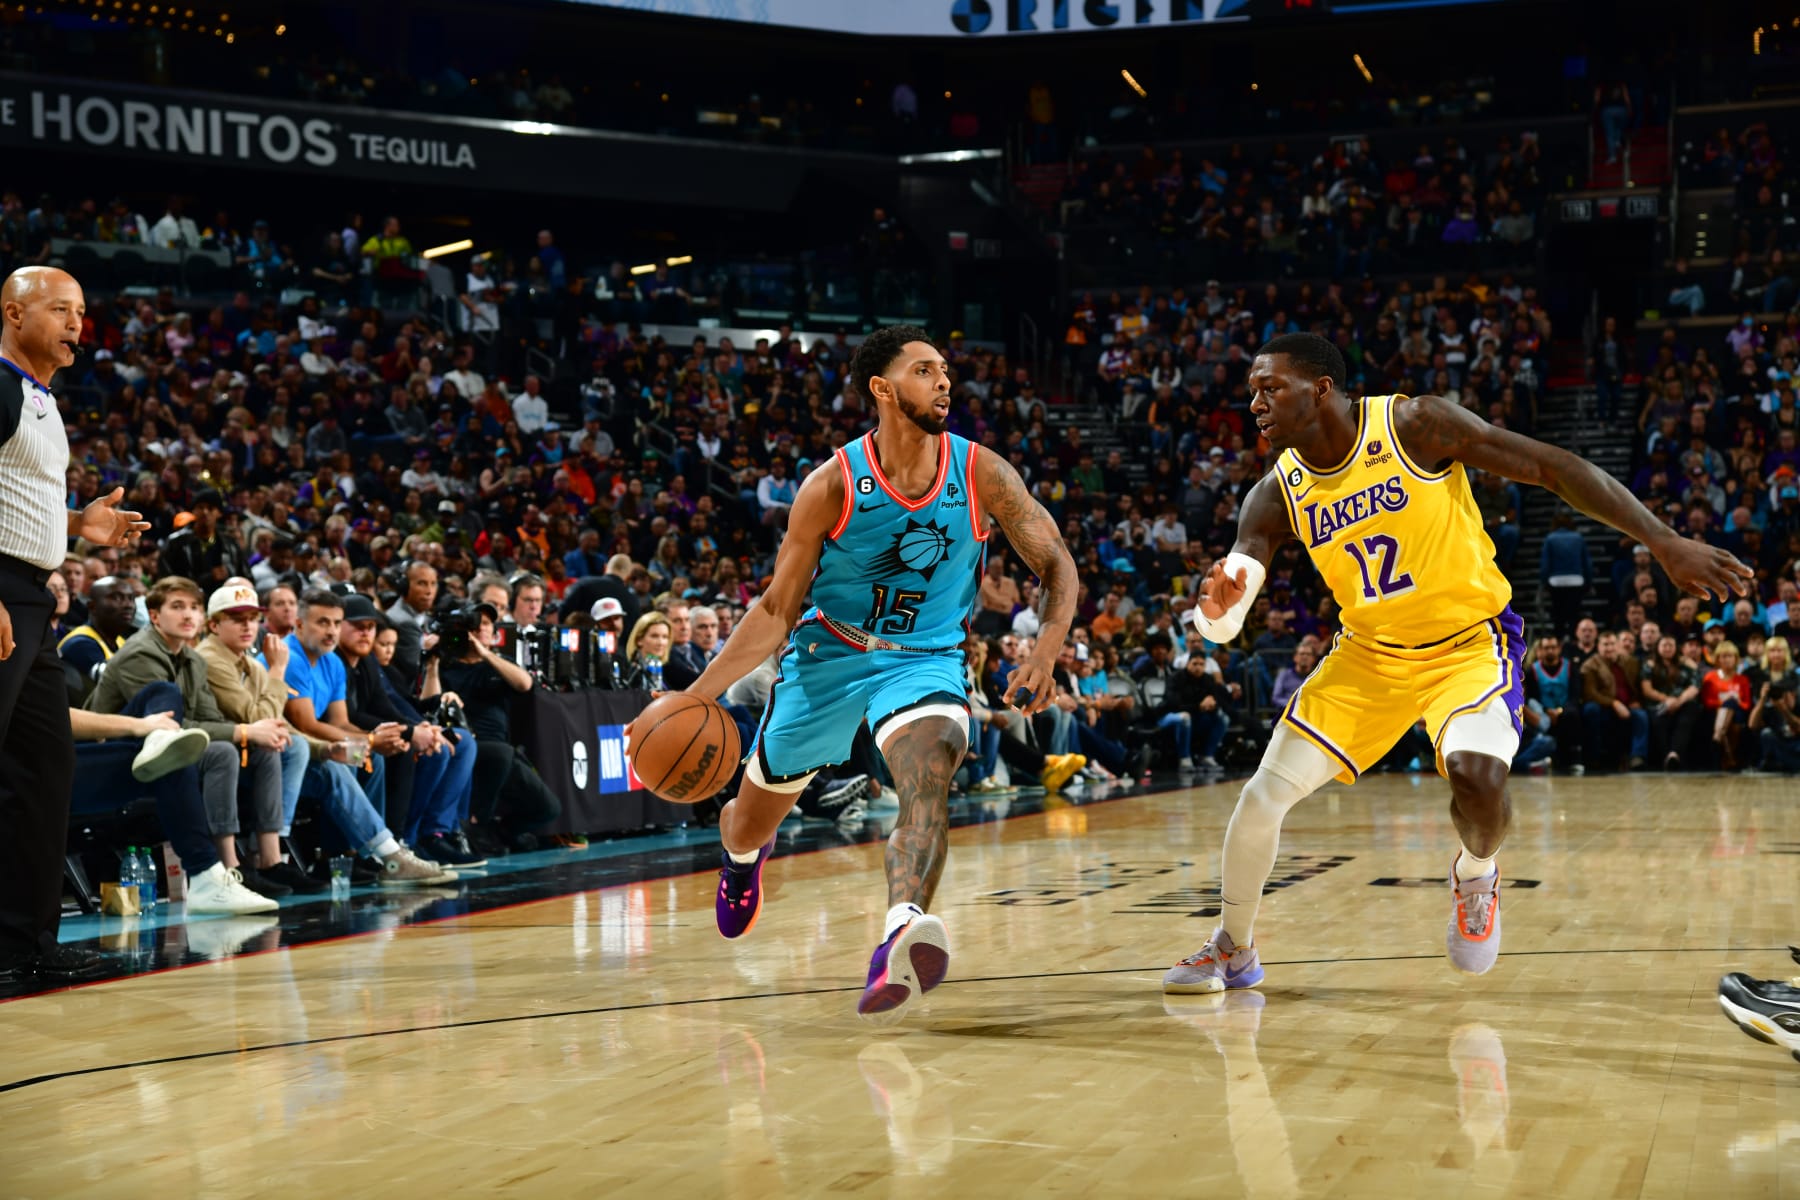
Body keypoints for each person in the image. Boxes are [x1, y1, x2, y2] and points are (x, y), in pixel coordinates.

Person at [1162, 332, 1750, 995]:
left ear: (1320, 389)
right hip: (1369, 657)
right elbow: (1231, 602)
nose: (1256, 404)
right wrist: (1215, 613)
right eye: (1251, 393)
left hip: (1469, 642)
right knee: (1261, 798)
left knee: (1478, 780)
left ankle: (1476, 874)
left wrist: (1663, 541)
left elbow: (1551, 466)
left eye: (1271, 389)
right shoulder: (1274, 494)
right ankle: (1233, 947)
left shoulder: (1414, 425)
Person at [666, 324, 1076, 1024]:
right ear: (883, 389)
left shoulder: (981, 472)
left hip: (926, 659)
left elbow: (1057, 562)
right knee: (744, 820)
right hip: (829, 657)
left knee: (929, 772)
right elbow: (774, 609)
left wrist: (1045, 652)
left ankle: (901, 927)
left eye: (945, 369)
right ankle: (740, 858)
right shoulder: (831, 484)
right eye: (925, 370)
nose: (944, 380)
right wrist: (694, 696)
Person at [0, 266, 150, 983]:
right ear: (13, 311)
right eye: (59, 309)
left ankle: (25, 945)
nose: (75, 323)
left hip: (32, 595)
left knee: (44, 768)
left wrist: (76, 526)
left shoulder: (40, 399)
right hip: (1, 592)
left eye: (82, 312)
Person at [85, 576, 295, 899]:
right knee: (222, 751)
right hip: (118, 751)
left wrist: (254, 734)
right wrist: (245, 731)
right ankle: (226, 869)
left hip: (160, 748)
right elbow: (169, 725)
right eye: (177, 607)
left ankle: (270, 861)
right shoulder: (140, 654)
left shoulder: (193, 658)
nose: (188, 616)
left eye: (195, 607)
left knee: (264, 751)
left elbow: (207, 719)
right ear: (155, 616)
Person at [278, 588, 455, 885]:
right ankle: (388, 854)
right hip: (287, 751)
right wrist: (370, 740)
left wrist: (376, 739)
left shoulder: (331, 661)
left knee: (369, 758)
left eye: (335, 623)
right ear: (298, 625)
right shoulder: (291, 657)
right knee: (344, 761)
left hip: (312, 747)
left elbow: (341, 722)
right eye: (322, 622)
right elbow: (305, 723)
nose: (331, 631)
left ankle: (360, 855)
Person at [431, 602, 561, 855]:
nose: (481, 629)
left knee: (549, 808)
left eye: (488, 624)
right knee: (499, 752)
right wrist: (433, 662)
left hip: (501, 751)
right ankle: (476, 824)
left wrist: (486, 654)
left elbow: (525, 684)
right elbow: (430, 700)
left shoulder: (500, 664)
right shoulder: (447, 665)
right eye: (476, 624)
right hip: (461, 743)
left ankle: (495, 833)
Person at [57, 574, 137, 696]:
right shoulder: (79, 644)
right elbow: (120, 685)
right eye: (117, 598)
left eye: (131, 598)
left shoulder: (121, 641)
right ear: (92, 607)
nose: (128, 605)